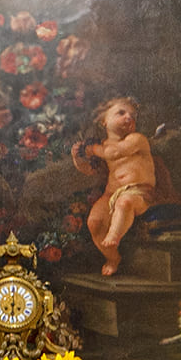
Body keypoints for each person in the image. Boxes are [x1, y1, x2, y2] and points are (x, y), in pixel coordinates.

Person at [71, 96, 159, 276]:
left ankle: (114, 236)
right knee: (94, 223)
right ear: (104, 120)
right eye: (121, 113)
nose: (129, 117)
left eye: (132, 115)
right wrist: (77, 158)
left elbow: (115, 153)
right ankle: (112, 257)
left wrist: (91, 150)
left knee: (124, 203)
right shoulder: (104, 146)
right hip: (110, 194)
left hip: (139, 191)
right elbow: (90, 170)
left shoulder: (137, 139)